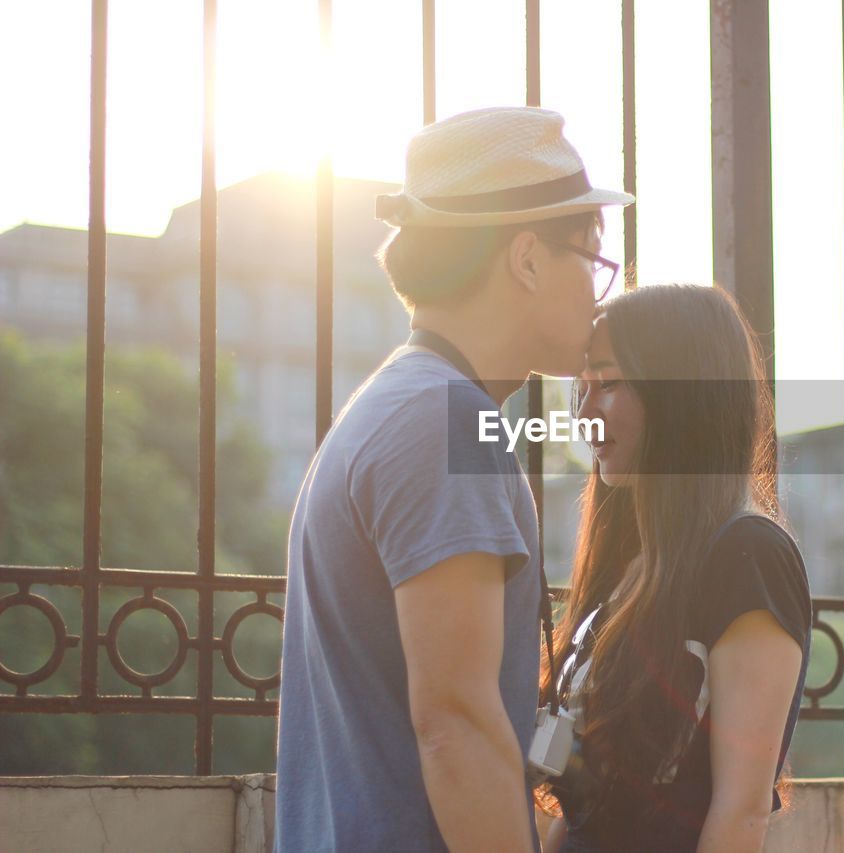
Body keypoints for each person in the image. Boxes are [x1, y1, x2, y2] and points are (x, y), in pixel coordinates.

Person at [274, 106, 633, 852]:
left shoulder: (406, 403)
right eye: (593, 258)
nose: (602, 292)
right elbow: (456, 725)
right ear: (527, 257)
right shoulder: (443, 422)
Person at [536, 284, 813, 853]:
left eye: (608, 384)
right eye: (580, 389)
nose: (584, 412)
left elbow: (739, 815)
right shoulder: (628, 564)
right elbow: (585, 807)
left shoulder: (748, 556)